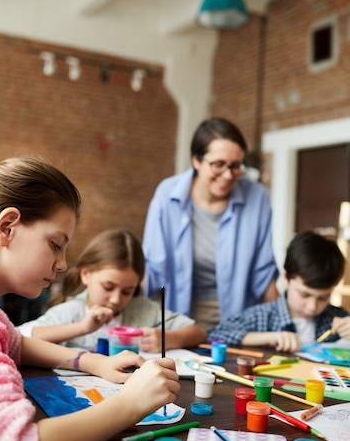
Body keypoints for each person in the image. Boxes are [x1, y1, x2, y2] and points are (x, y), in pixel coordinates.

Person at [0, 156, 180, 441]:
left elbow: (16, 342)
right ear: (7, 227)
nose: (63, 264)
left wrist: (92, 361)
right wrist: (131, 403)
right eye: (55, 245)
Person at [143, 117, 279, 328]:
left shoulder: (257, 196)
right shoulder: (167, 195)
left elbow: (263, 272)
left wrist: (284, 324)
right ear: (196, 160)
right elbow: (153, 268)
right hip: (180, 319)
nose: (227, 175)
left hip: (239, 321)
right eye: (218, 165)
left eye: (236, 166)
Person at [18, 228, 207, 352]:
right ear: (86, 275)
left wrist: (169, 338)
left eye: (127, 291)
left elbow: (198, 332)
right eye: (108, 287)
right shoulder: (71, 313)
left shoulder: (143, 310)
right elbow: (19, 336)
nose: (116, 300)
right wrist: (82, 328)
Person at [207, 231, 350, 351]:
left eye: (323, 298)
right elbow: (215, 335)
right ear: (286, 277)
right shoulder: (262, 316)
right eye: (304, 295)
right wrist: (270, 337)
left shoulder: (338, 317)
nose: (312, 306)